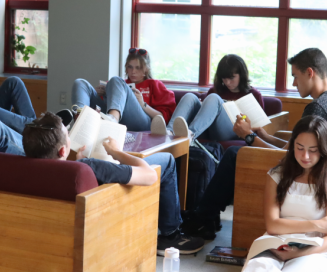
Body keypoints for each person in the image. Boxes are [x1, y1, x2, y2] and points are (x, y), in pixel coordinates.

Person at [182, 48, 327, 240]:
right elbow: (294, 147)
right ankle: (207, 215)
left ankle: (203, 216)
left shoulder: (317, 108)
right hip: (317, 165)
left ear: (310, 73)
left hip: (307, 171)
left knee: (235, 153)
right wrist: (265, 136)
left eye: (296, 76)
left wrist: (248, 136)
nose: (293, 83)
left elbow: (289, 156)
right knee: (238, 151)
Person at [21, 112, 204, 255]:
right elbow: (149, 175)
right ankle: (170, 234)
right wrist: (117, 152)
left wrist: (78, 161)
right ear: (63, 151)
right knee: (168, 161)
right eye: (68, 134)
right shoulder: (87, 167)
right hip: (105, 222)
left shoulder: (25, 170)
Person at [242, 115, 327, 272]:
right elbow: (272, 225)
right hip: (275, 242)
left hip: (315, 249)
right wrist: (318, 224)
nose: (305, 156)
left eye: (313, 150)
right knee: (258, 268)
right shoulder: (277, 176)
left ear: (323, 151)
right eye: (299, 148)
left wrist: (299, 253)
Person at [161, 54, 265, 141]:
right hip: (209, 129)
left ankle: (190, 135)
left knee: (214, 98)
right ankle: (168, 132)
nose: (227, 82)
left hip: (235, 133)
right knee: (190, 96)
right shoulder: (215, 90)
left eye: (232, 78)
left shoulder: (254, 94)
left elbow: (260, 127)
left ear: (241, 75)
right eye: (224, 78)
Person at [71, 48, 176, 132]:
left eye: (138, 67)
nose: (133, 71)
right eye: (130, 67)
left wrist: (143, 104)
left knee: (116, 79)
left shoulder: (155, 84)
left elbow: (163, 118)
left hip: (143, 122)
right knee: (80, 82)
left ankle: (112, 120)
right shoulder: (120, 84)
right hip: (114, 116)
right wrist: (93, 93)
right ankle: (80, 122)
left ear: (146, 69)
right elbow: (102, 105)